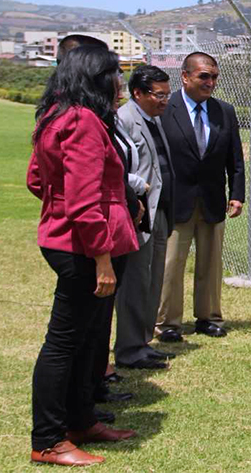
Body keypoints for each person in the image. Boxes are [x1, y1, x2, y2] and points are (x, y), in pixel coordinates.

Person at [26, 45, 138, 466]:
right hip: (86, 249)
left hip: (67, 240)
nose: (117, 83)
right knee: (64, 344)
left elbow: (37, 180)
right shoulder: (83, 121)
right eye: (113, 74)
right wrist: (102, 258)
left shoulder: (52, 116)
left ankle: (81, 420)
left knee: (89, 340)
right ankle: (49, 439)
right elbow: (84, 201)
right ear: (95, 77)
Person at [156, 52, 245, 342]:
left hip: (212, 201)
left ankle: (208, 318)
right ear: (185, 76)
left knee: (210, 263)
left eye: (214, 77)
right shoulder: (165, 108)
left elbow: (236, 159)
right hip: (174, 201)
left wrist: (237, 194)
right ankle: (167, 323)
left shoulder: (224, 112)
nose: (210, 82)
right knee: (171, 264)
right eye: (204, 76)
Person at [113, 65, 177, 369]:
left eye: (167, 94)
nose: (165, 101)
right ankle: (128, 349)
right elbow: (118, 169)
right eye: (158, 95)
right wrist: (140, 188)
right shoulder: (124, 120)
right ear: (138, 93)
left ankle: (143, 342)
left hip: (160, 210)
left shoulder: (155, 119)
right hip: (138, 212)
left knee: (153, 279)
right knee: (135, 281)